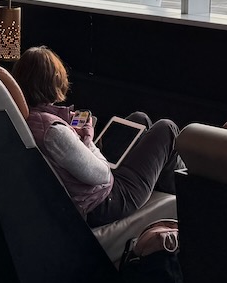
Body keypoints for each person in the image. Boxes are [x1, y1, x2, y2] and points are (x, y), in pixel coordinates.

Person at [15, 46, 178, 229]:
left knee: (140, 119)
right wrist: (87, 137)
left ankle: (165, 187)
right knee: (166, 129)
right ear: (54, 81)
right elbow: (102, 174)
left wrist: (73, 131)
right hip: (103, 203)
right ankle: (183, 196)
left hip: (88, 186)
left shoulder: (25, 117)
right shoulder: (54, 132)